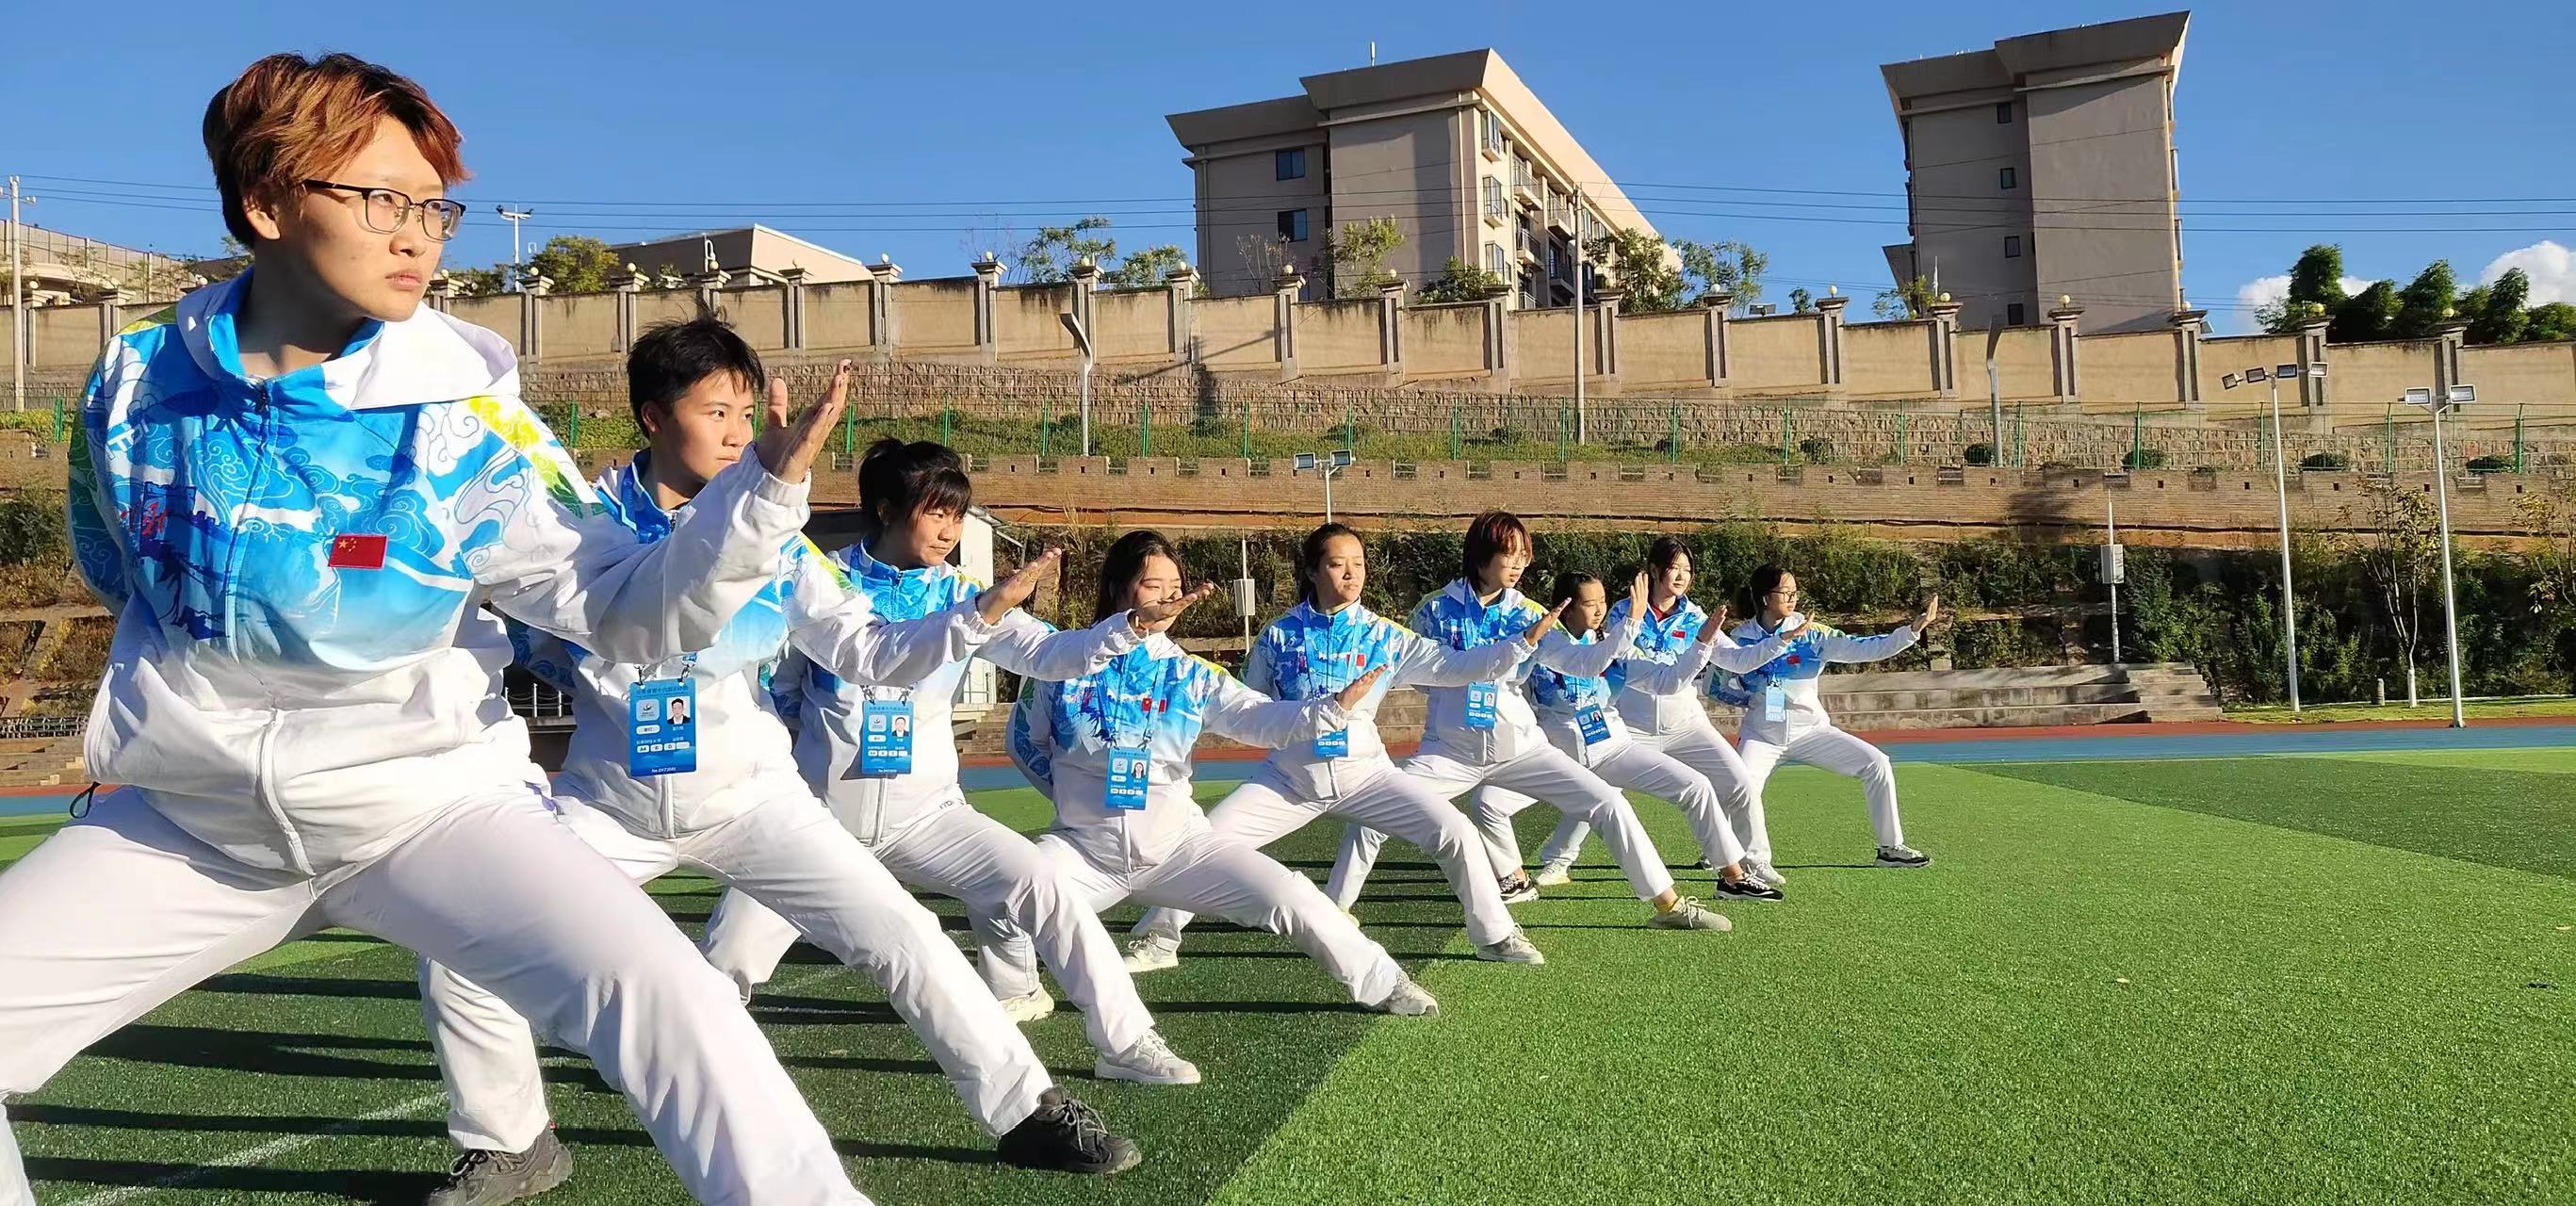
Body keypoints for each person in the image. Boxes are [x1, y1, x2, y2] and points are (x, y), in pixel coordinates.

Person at [1, 53, 876, 1205]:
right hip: (198, 822)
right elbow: (126, 572)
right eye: (381, 200)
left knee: (676, 1004)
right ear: (266, 203)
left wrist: (760, 497)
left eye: (433, 207)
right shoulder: (132, 385)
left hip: (426, 804)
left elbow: (625, 609)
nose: (420, 235)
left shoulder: (465, 416)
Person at [416, 319, 1166, 1201]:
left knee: (902, 934)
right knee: (461, 942)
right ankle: (511, 1142)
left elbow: (870, 650)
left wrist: (980, 615)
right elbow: (506, 630)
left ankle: (1028, 1108)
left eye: (747, 413)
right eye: (718, 412)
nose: (740, 433)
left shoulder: (774, 538)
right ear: (654, 416)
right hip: (611, 802)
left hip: (754, 800)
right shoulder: (575, 526)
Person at [696, 437, 1206, 1088]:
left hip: (928, 817)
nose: (950, 530)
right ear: (887, 509)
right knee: (731, 950)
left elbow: (1050, 655)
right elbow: (783, 689)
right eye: (936, 512)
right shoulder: (818, 582)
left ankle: (1126, 1042)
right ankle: (698, 1053)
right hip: (815, 820)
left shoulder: (967, 595)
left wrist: (1129, 628)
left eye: (958, 515)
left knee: (1043, 885)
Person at [998, 530, 1445, 1016]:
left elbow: (1258, 717)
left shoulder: (1191, 675)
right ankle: (1020, 992)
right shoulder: (1062, 665)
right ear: (1118, 588)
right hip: (1085, 852)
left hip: (1179, 850)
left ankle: (1384, 982)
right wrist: (1074, 800)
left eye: (1175, 587)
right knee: (1003, 894)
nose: (1169, 599)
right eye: (1153, 586)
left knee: (1290, 896)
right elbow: (1023, 742)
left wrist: (1330, 710)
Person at [1118, 522, 1553, 974]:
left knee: (1456, 830)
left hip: (1367, 778)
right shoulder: (1278, 636)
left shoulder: (1384, 636)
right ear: (1312, 570)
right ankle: (1159, 939)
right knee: (1205, 841)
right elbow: (1250, 706)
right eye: (1337, 564)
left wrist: (1519, 645)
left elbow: (1454, 666)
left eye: (1359, 564)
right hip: (1289, 781)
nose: (1351, 574)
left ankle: (1495, 934)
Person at [1326, 512, 1730, 933]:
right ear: (1481, 555)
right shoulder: (1434, 610)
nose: (1519, 565)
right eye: (1510, 555)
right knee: (1371, 818)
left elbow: (1583, 663)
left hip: (1521, 749)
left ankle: (1668, 905)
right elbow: (1422, 677)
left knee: (1608, 803)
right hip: (1449, 752)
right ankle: (1335, 910)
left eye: (1524, 556)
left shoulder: (1529, 613)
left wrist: (1628, 625)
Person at [1468, 569, 1791, 904]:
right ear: (1566, 608)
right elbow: (1506, 686)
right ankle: (1516, 878)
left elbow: (1666, 681)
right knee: (1487, 803)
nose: (1600, 610)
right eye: (1589, 604)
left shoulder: (1616, 648)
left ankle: (1733, 878)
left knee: (1696, 786)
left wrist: (1701, 644)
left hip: (1612, 749)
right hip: (1557, 758)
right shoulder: (1541, 649)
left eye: (1603, 601)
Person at [1525, 537, 1808, 890]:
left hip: (1686, 725)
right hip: (1632, 725)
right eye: (1674, 568)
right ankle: (1558, 860)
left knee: (1739, 782)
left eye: (1687, 570)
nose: (1681, 576)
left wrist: (1781, 640)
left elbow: (1737, 660)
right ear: (1655, 570)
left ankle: (1754, 861)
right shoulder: (1623, 613)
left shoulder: (1695, 617)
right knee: (1599, 788)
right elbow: (1615, 660)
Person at [1713, 564, 1939, 874]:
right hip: (1762, 736)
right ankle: (1746, 859)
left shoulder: (1813, 633)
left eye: (1795, 592)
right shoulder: (1739, 639)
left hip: (1812, 732)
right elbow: (1715, 685)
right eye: (1785, 592)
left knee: (1877, 763)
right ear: (1765, 598)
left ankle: (1890, 848)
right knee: (1741, 787)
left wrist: (1911, 631)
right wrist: (1750, 701)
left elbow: (1863, 648)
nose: (1792, 598)